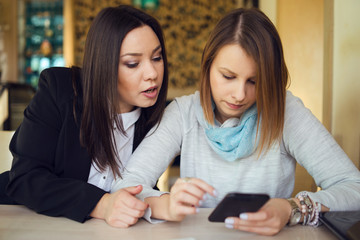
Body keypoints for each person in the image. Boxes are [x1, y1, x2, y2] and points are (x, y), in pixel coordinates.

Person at [111, 7, 360, 235]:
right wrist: (165, 204)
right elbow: (126, 186)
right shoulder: (183, 113)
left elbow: (354, 189)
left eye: (254, 81)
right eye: (228, 76)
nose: (240, 94)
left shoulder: (285, 112)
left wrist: (291, 208)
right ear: (207, 67)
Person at [1, 5, 169, 228]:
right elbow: (25, 178)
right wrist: (102, 204)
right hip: (22, 222)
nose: (152, 74)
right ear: (104, 65)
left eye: (157, 58)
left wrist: (162, 202)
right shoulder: (59, 90)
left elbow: (138, 189)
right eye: (133, 63)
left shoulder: (156, 120)